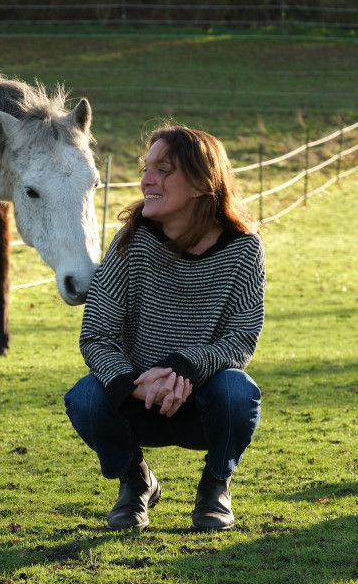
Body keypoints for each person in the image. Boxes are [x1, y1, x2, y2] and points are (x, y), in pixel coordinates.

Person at [64, 124, 265, 532]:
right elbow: (96, 335)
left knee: (239, 392)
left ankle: (215, 487)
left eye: (163, 169)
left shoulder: (244, 248)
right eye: (146, 168)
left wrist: (182, 367)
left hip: (204, 399)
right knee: (84, 398)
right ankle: (135, 482)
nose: (146, 180)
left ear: (199, 184)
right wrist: (130, 383)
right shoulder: (130, 242)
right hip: (137, 399)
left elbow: (241, 338)